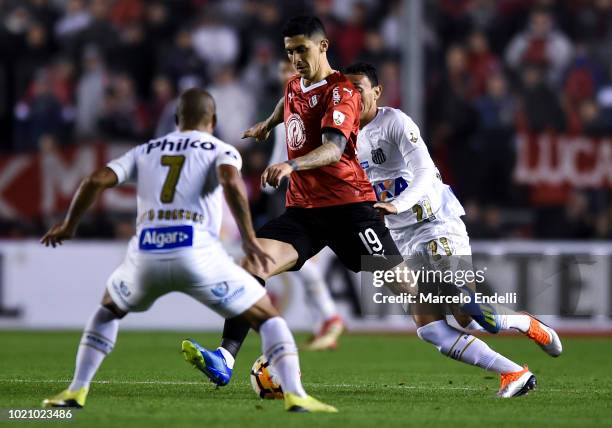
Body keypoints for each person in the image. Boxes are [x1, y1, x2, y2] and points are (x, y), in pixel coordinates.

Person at [39, 88, 336, 413]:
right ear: (213, 121)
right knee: (267, 317)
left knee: (107, 310)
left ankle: (75, 391)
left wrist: (69, 226)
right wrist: (250, 237)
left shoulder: (146, 150)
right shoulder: (221, 150)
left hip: (146, 255)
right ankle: (295, 395)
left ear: (177, 120)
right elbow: (230, 180)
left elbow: (95, 179)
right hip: (198, 254)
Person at [191, 16, 408, 386]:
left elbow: (334, 149)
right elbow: (288, 100)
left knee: (405, 285)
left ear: (323, 46)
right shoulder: (295, 85)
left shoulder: (342, 91)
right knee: (251, 263)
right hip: (304, 212)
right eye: (289, 51)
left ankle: (466, 308)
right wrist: (267, 124)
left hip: (349, 208)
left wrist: (291, 164)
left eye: (302, 50)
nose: (295, 58)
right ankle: (224, 358)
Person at [344, 62, 563, 398]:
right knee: (430, 329)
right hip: (396, 238)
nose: (352, 95)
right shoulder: (342, 136)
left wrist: (397, 205)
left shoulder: (395, 123)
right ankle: (514, 373)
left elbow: (425, 174)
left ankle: (528, 324)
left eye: (358, 87)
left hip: (434, 222)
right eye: (346, 90)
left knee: (470, 314)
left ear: (376, 91)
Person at [264, 57, 345, 351]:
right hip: (280, 188)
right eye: (282, 70)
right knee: (298, 263)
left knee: (302, 262)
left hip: (301, 188)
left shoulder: (313, 105)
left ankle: (329, 316)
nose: (286, 74)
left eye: (289, 69)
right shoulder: (286, 104)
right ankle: (322, 322)